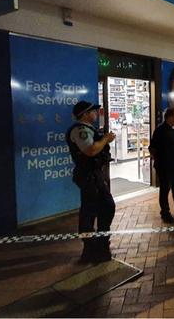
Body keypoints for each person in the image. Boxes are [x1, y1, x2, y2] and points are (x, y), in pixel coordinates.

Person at [66, 100, 116, 263]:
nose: (96, 114)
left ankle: (100, 245)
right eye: (93, 111)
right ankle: (91, 249)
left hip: (95, 175)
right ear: (85, 114)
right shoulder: (80, 130)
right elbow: (90, 150)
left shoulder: (89, 129)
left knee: (106, 207)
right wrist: (105, 139)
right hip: (89, 176)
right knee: (90, 212)